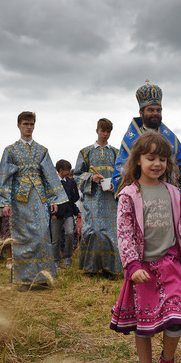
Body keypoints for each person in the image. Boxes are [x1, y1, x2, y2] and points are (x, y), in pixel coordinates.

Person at [110, 131, 181, 363]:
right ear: (138, 160)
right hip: (142, 269)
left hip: (170, 265)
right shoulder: (129, 195)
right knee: (144, 326)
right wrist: (132, 265)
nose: (157, 164)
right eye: (151, 158)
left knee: (177, 319)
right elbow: (124, 233)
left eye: (163, 159)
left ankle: (167, 362)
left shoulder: (174, 193)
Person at [0, 111, 68, 290]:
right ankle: (24, 279)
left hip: (40, 199)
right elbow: (4, 177)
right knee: (22, 238)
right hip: (19, 200)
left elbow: (49, 175)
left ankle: (42, 277)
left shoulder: (42, 150)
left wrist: (54, 199)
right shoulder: (10, 150)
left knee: (42, 235)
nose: (29, 127)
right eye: (25, 124)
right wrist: (5, 203)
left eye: (31, 124)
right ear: (18, 125)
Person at [111, 81, 181, 193]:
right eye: (151, 110)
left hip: (168, 192)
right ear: (141, 112)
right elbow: (120, 170)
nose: (155, 113)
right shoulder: (130, 140)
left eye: (158, 110)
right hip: (140, 193)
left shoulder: (170, 137)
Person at [73, 118, 122, 276]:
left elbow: (122, 174)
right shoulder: (85, 152)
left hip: (110, 199)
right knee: (93, 231)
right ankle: (91, 268)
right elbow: (77, 175)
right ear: (97, 130)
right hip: (93, 198)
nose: (105, 134)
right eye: (103, 131)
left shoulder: (116, 152)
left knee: (110, 233)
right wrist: (90, 178)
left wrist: (116, 185)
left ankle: (110, 269)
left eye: (108, 132)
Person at [49, 159, 80, 268]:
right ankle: (56, 261)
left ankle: (68, 258)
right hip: (55, 215)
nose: (69, 172)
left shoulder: (71, 182)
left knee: (70, 234)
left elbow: (74, 197)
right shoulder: (52, 182)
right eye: (68, 170)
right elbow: (48, 198)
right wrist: (51, 213)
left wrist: (75, 210)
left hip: (68, 213)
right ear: (61, 170)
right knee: (56, 239)